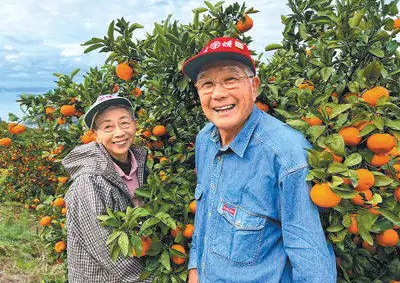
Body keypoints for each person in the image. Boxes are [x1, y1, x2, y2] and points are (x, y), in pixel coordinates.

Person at [182, 37, 337, 282]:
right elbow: (205, 212)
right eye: (207, 84)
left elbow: (311, 261)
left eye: (230, 80)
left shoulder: (288, 156)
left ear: (254, 86)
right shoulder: (205, 140)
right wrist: (195, 269)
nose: (218, 94)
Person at [62, 94, 152, 282]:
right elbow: (107, 250)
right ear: (96, 135)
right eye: (108, 127)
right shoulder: (88, 180)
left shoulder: (143, 166)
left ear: (135, 124)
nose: (119, 133)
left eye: (124, 123)